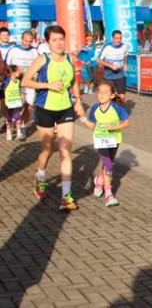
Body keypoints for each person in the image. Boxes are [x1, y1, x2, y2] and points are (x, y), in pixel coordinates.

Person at [23, 25, 84, 210]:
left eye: (60, 39)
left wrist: (78, 100)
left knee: (65, 151)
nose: (58, 43)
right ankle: (40, 178)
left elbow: (73, 82)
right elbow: (26, 81)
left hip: (65, 109)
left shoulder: (70, 58)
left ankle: (66, 196)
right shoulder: (43, 59)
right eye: (54, 40)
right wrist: (48, 85)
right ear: (48, 43)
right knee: (47, 150)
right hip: (45, 109)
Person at [79, 81, 131, 207]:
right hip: (100, 139)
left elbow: (127, 122)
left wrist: (115, 126)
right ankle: (109, 194)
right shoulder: (95, 108)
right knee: (108, 165)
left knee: (109, 164)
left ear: (112, 95)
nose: (101, 94)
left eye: (105, 92)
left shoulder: (117, 108)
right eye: (100, 92)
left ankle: (99, 180)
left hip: (114, 139)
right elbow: (92, 126)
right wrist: (83, 119)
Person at [5, 30, 40, 137]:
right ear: (21, 39)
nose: (27, 43)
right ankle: (12, 125)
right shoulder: (13, 50)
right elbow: (7, 66)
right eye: (25, 41)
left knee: (28, 105)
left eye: (30, 41)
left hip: (30, 84)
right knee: (14, 106)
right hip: (16, 84)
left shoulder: (34, 52)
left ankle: (23, 125)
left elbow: (38, 66)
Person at [96, 30, 130, 104]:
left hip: (120, 75)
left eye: (120, 38)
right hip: (109, 77)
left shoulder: (124, 46)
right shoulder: (107, 47)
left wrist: (125, 64)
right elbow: (98, 60)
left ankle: (118, 110)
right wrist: (111, 66)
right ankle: (111, 110)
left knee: (122, 97)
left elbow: (125, 55)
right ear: (112, 38)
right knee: (108, 96)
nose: (118, 40)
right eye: (116, 38)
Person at [4, 65, 24, 141]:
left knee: (18, 118)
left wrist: (22, 97)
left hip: (17, 103)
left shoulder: (18, 81)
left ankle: (19, 132)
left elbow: (20, 90)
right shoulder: (7, 82)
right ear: (13, 72)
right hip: (9, 104)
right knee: (9, 119)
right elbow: (3, 89)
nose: (20, 72)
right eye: (18, 71)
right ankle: (9, 132)